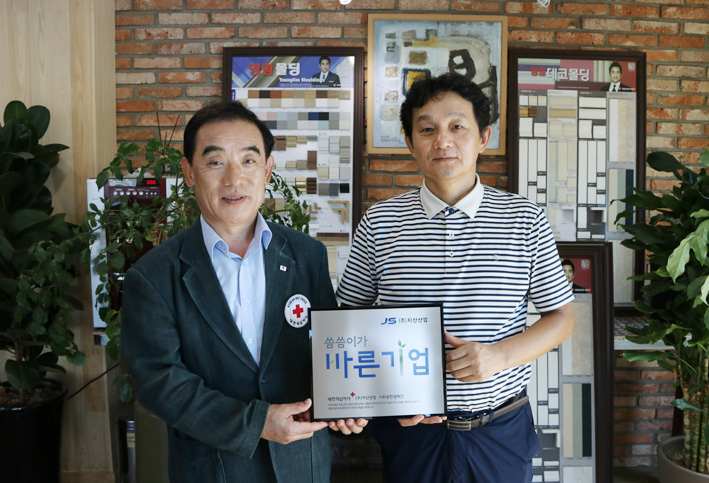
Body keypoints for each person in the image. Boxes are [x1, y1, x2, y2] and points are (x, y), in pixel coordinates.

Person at [336, 73, 575, 483]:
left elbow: (562, 318)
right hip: (410, 432)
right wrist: (375, 394)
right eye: (427, 129)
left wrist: (498, 356)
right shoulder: (380, 222)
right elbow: (348, 323)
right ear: (410, 143)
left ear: (483, 137)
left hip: (499, 429)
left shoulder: (524, 219)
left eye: (457, 126)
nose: (442, 140)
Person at [122, 101, 366, 483]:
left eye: (249, 161)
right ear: (189, 172)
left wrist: (347, 401)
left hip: (302, 464)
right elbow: (158, 380)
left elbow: (327, 349)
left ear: (267, 170)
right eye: (215, 162)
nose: (234, 179)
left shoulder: (307, 255)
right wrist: (256, 423)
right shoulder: (153, 275)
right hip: (214, 467)